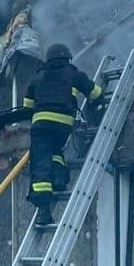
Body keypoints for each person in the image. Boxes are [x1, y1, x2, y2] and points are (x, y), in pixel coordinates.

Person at [23, 43, 103, 226]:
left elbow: (27, 106)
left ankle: (43, 210)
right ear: (67, 57)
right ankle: (58, 179)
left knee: (41, 162)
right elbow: (96, 93)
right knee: (56, 152)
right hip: (64, 125)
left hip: (41, 125)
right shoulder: (73, 73)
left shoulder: (37, 77)